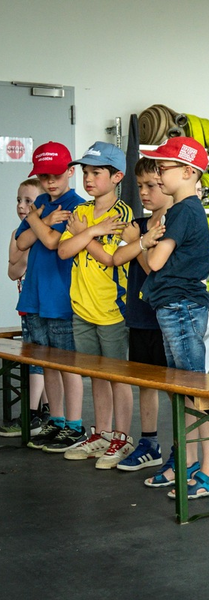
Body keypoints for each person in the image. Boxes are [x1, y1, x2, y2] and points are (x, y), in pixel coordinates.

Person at [138, 136, 209, 500]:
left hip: (181, 307)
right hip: (173, 307)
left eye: (163, 168)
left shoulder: (182, 211)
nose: (158, 174)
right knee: (183, 390)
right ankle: (189, 462)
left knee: (195, 391)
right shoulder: (184, 210)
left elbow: (155, 263)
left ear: (189, 172)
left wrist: (147, 239)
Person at [57, 142, 135, 468]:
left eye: (96, 172)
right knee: (95, 375)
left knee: (118, 376)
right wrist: (93, 230)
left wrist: (86, 235)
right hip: (82, 308)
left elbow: (111, 256)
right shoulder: (81, 213)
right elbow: (64, 251)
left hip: (112, 309)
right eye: (85, 172)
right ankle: (101, 433)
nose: (88, 178)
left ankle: (122, 437)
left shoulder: (124, 215)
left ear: (117, 176)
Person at [17, 142, 87, 453]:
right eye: (44, 176)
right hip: (35, 295)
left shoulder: (76, 205)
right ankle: (55, 420)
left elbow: (49, 242)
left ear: (70, 172)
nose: (50, 182)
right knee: (46, 364)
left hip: (61, 297)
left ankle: (74, 425)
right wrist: (41, 219)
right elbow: (20, 243)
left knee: (67, 364)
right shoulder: (44, 205)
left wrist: (35, 219)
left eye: (56, 175)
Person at [110, 157, 170, 473]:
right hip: (139, 314)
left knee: (175, 385)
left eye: (152, 186)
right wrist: (137, 241)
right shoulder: (140, 225)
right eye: (140, 186)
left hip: (165, 318)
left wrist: (138, 243)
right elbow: (117, 257)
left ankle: (181, 450)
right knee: (145, 382)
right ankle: (149, 443)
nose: (144, 193)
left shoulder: (170, 225)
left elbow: (154, 271)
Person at [0, 178, 49, 437]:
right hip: (26, 308)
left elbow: (23, 260)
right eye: (19, 200)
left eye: (28, 200)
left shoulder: (45, 232)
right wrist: (22, 250)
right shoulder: (17, 234)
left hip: (43, 307)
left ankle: (34, 415)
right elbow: (13, 270)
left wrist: (24, 252)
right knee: (34, 359)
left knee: (40, 361)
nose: (21, 205)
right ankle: (41, 411)